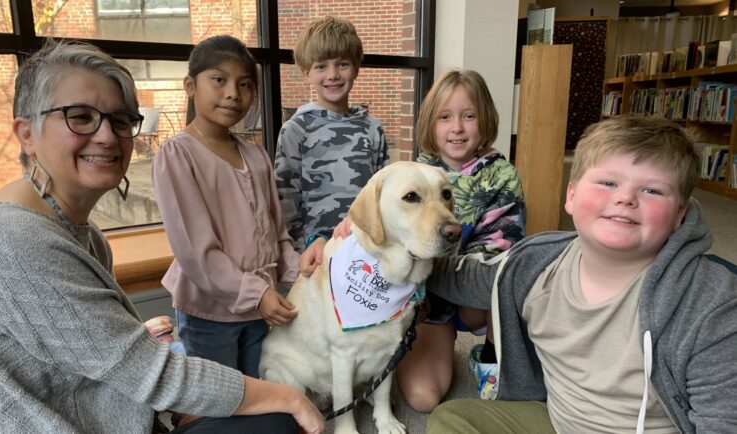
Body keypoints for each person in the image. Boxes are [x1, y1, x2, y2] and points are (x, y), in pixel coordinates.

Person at [0, 40, 323, 434]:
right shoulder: (10, 241)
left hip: (135, 407)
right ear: (26, 134)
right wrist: (285, 395)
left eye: (120, 121)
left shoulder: (86, 235)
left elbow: (108, 365)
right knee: (278, 414)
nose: (105, 136)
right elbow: (150, 369)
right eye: (80, 117)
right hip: (208, 316)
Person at [425, 115, 737, 433]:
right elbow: (460, 278)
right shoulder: (535, 264)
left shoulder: (711, 302)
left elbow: (722, 421)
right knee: (453, 420)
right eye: (608, 182)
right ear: (571, 196)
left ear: (679, 216)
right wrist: (387, 258)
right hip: (562, 423)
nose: (625, 198)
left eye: (652, 191)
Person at [152, 35, 301, 379]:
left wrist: (301, 273)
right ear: (190, 85)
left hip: (261, 306)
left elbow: (277, 234)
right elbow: (196, 252)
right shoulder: (177, 155)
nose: (233, 93)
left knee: (258, 386)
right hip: (210, 314)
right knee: (220, 396)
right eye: (218, 80)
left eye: (245, 84)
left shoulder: (256, 154)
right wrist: (255, 292)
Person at [397, 69, 525, 413]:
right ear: (430, 123)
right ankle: (424, 352)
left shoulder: (503, 176)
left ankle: (489, 354)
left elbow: (497, 259)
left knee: (506, 285)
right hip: (428, 302)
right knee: (422, 399)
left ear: (484, 119)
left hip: (478, 300)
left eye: (469, 116)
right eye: (445, 117)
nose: (457, 128)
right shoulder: (412, 173)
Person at [274, 16, 389, 251]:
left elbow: (384, 197)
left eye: (343, 64)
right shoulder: (296, 129)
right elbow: (286, 200)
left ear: (356, 68)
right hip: (312, 251)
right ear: (307, 72)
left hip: (364, 249)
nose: (333, 74)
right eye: (321, 66)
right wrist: (296, 253)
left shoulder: (373, 129)